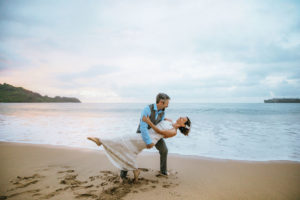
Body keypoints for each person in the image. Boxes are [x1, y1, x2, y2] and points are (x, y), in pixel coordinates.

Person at [87, 115, 191, 182]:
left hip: (148, 139)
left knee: (125, 140)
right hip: (145, 134)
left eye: (183, 119)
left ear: (183, 124)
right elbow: (158, 118)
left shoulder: (173, 131)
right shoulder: (169, 120)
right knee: (129, 149)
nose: (181, 117)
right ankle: (134, 170)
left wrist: (148, 122)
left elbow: (160, 132)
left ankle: (100, 141)